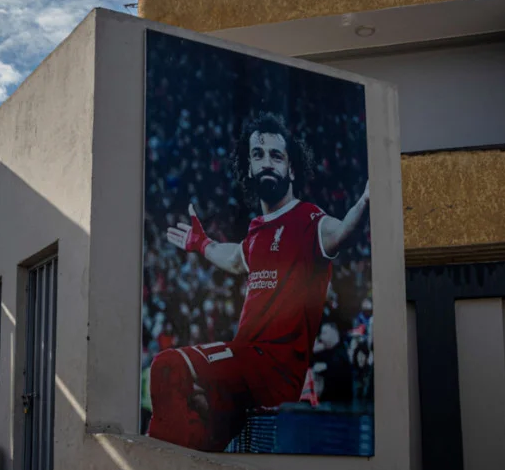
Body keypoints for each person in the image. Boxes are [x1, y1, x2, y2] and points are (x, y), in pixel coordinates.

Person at [146, 112, 369, 450]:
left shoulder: (309, 218)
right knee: (199, 421)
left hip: (270, 369)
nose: (267, 162)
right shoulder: (257, 230)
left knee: (166, 367)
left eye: (276, 156)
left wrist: (366, 201)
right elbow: (235, 258)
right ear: (249, 167)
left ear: (291, 169)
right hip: (248, 368)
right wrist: (201, 244)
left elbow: (340, 232)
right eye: (258, 155)